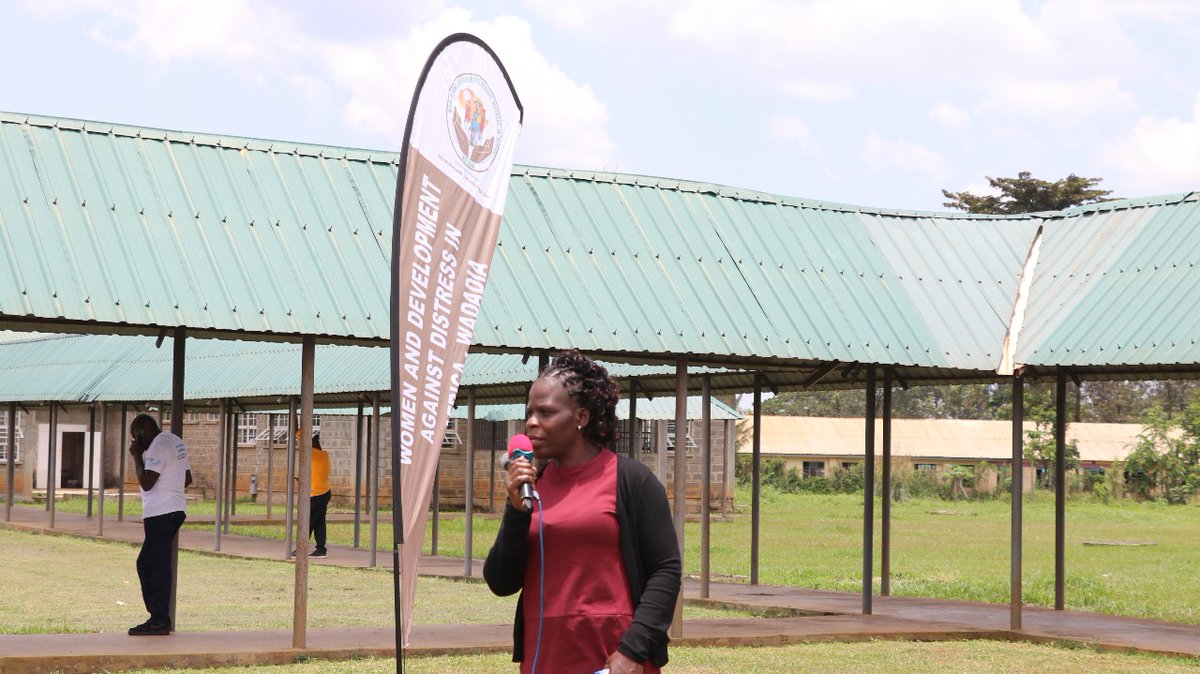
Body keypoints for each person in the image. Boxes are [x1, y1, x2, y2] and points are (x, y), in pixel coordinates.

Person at [484, 350, 681, 673]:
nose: (532, 423)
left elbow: (666, 571)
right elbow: (500, 582)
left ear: (582, 417)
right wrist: (516, 512)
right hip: (545, 660)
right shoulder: (532, 488)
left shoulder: (631, 480)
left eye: (546, 413)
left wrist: (633, 651)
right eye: (529, 412)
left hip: (614, 660)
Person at [127, 413, 192, 636]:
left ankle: (159, 620)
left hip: (161, 513)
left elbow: (146, 482)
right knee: (152, 563)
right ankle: (158, 617)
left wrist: (137, 457)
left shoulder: (156, 447)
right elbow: (187, 479)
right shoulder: (174, 441)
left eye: (136, 439)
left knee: (152, 566)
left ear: (141, 433)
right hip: (174, 510)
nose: (137, 444)